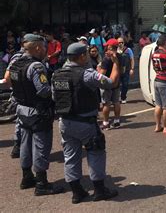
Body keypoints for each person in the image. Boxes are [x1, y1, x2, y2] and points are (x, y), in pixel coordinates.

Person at [52, 43, 119, 204]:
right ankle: (99, 190)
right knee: (96, 153)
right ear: (82, 56)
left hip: (65, 122)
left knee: (70, 156)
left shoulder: (57, 74)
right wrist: (116, 63)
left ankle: (77, 192)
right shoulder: (86, 74)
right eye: (86, 54)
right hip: (85, 123)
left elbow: (55, 98)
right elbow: (111, 83)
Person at [8, 34, 64, 196]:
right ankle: (41, 183)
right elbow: (44, 91)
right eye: (44, 47)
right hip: (37, 112)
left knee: (25, 144)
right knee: (41, 146)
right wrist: (57, 89)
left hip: (22, 110)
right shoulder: (36, 67)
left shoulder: (15, 63)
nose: (45, 50)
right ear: (38, 47)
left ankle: (27, 178)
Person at [0, 37, 26, 158]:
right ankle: (18, 147)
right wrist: (16, 88)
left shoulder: (16, 55)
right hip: (23, 95)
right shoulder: (18, 56)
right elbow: (7, 75)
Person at [99, 39, 122, 129]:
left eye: (108, 47)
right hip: (116, 83)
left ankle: (105, 122)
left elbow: (102, 74)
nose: (106, 49)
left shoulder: (106, 59)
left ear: (111, 48)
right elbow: (122, 70)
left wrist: (98, 70)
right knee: (116, 102)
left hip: (107, 84)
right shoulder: (121, 56)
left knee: (106, 104)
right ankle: (117, 120)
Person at [117, 37, 134, 104]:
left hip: (126, 70)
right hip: (117, 70)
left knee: (125, 85)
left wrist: (132, 69)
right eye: (119, 42)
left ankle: (123, 97)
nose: (120, 44)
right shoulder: (116, 50)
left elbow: (132, 59)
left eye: (122, 42)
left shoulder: (128, 50)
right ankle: (115, 98)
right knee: (116, 85)